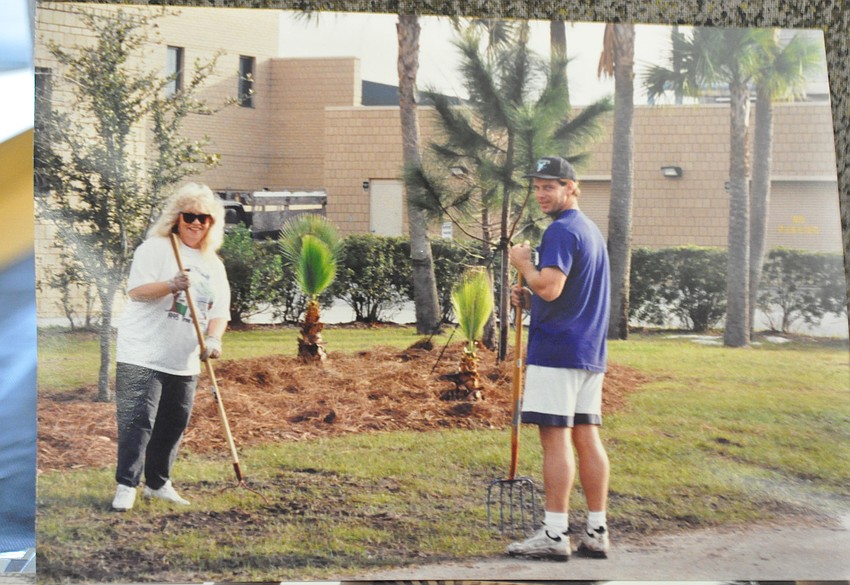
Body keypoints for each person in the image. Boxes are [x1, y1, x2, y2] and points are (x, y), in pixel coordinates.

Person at [506, 156, 611, 561]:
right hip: (587, 351)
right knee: (587, 436)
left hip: (556, 352)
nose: (541, 194)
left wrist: (525, 267)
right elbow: (565, 295)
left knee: (555, 439)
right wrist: (531, 299)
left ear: (571, 187)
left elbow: (550, 287)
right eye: (536, 187)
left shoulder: (562, 231)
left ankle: (553, 535)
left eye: (549, 186)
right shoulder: (589, 230)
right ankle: (597, 531)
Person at [111, 182, 231, 512]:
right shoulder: (156, 248)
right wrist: (171, 284)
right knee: (139, 420)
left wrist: (213, 339)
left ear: (212, 223)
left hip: (184, 358)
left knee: (173, 422)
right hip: (142, 352)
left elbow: (219, 312)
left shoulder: (214, 264)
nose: (196, 223)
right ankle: (126, 485)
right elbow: (136, 291)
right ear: (177, 218)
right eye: (189, 216)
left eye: (203, 218)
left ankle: (158, 483)